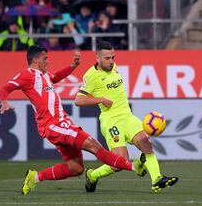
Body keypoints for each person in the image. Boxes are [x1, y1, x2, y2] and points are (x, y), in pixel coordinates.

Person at [0, 45, 147, 195]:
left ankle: (34, 177)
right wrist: (4, 102)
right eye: (45, 58)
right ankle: (133, 166)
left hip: (60, 124)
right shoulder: (27, 75)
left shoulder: (45, 76)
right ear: (35, 60)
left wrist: (72, 66)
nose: (48, 61)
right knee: (93, 145)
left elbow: (56, 77)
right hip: (54, 125)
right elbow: (6, 88)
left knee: (76, 168)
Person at [74, 41, 178, 193]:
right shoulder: (91, 76)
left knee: (146, 143)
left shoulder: (113, 68)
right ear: (97, 57)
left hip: (127, 116)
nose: (111, 61)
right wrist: (101, 100)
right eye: (107, 58)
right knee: (119, 163)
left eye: (113, 57)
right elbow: (78, 100)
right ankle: (92, 175)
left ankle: (157, 179)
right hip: (111, 121)